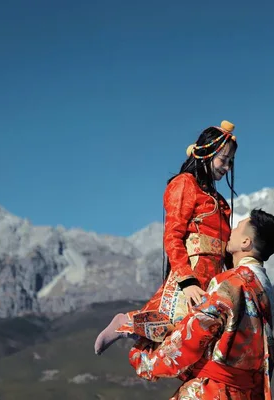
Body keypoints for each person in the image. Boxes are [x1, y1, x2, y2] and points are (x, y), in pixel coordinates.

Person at [94, 120, 238, 355]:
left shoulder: (219, 201)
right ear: (206, 153)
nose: (227, 166)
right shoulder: (184, 184)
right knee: (173, 322)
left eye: (231, 161)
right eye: (224, 159)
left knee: (200, 336)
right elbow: (173, 235)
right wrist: (187, 281)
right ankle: (125, 324)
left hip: (214, 277)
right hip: (190, 271)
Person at [128, 208, 274, 400]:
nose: (230, 231)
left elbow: (191, 337)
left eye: (237, 227)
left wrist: (146, 360)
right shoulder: (265, 288)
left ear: (246, 242)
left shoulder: (230, 282)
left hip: (214, 391)